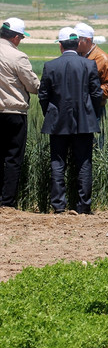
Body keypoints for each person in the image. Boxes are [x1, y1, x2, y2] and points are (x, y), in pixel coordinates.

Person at [39, 27, 102, 215]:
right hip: (84, 122)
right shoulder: (88, 65)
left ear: (60, 45)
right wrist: (92, 113)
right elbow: (97, 94)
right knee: (84, 163)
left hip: (57, 123)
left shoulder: (50, 66)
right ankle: (84, 206)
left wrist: (50, 114)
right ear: (77, 44)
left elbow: (43, 95)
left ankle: (58, 206)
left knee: (57, 163)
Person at [0, 17, 39, 208]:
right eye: (21, 38)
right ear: (15, 37)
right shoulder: (18, 57)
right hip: (13, 112)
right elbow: (33, 86)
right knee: (13, 158)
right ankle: (7, 203)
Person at [74, 22, 108, 149]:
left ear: (87, 40)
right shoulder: (77, 55)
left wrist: (87, 92)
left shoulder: (103, 59)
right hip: (78, 108)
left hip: (95, 110)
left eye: (78, 40)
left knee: (95, 146)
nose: (75, 43)